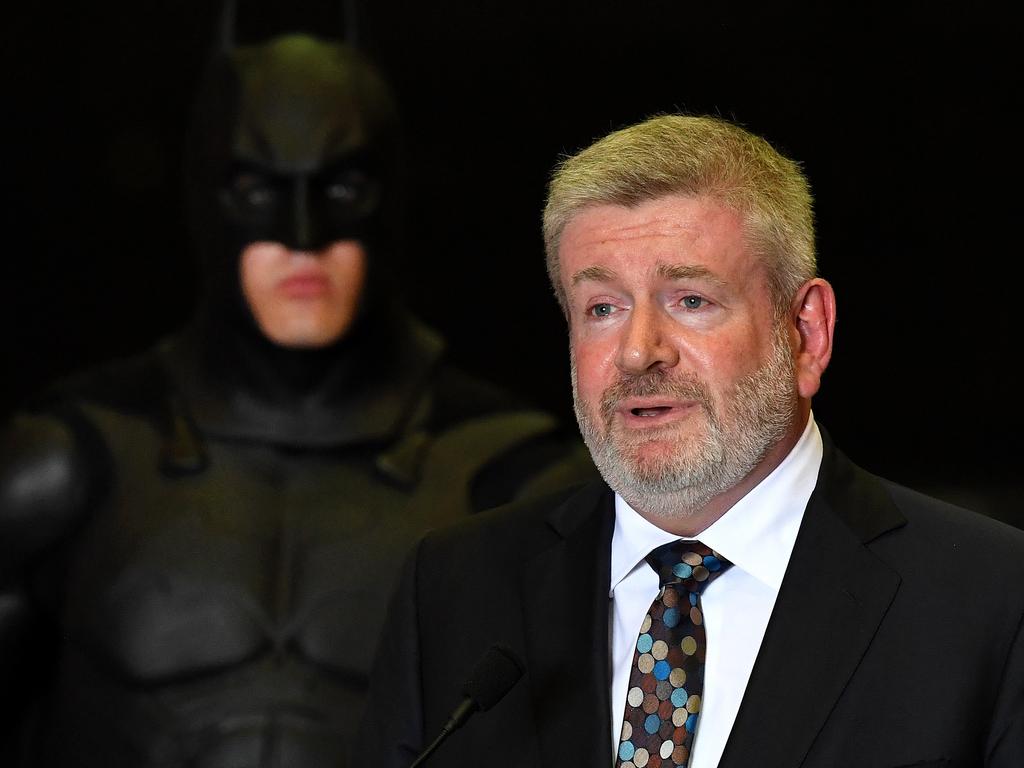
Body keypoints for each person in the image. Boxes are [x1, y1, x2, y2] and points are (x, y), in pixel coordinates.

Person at [356, 114, 1024, 767]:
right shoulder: (454, 590)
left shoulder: (990, 601)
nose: (638, 351)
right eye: (603, 309)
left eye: (690, 301)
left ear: (806, 333)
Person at [0, 33, 593, 767]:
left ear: (389, 201)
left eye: (342, 189)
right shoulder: (60, 471)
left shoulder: (517, 481)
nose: (303, 237)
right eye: (259, 191)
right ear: (206, 200)